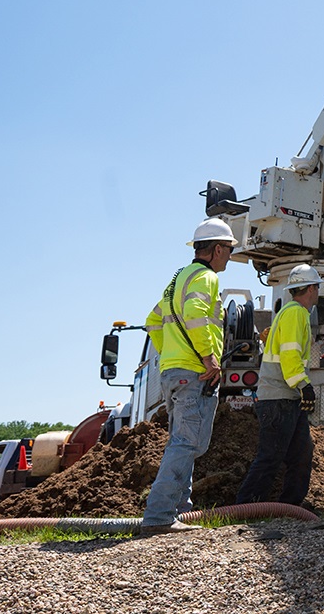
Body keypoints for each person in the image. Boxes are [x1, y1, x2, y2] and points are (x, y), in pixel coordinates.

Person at [139, 217, 236, 535]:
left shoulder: (178, 278)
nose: (230, 256)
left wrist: (171, 353)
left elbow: (153, 320)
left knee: (185, 442)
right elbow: (195, 315)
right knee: (186, 443)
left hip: (173, 371)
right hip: (194, 371)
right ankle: (159, 516)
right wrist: (207, 358)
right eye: (230, 249)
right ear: (218, 249)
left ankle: (181, 511)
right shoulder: (206, 278)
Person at [234, 264, 320, 506]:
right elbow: (290, 355)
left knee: (301, 455)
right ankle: (245, 508)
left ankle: (290, 507)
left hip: (287, 397)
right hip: (279, 398)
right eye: (317, 288)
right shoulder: (295, 313)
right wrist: (304, 385)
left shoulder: (292, 312)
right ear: (311, 288)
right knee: (271, 456)